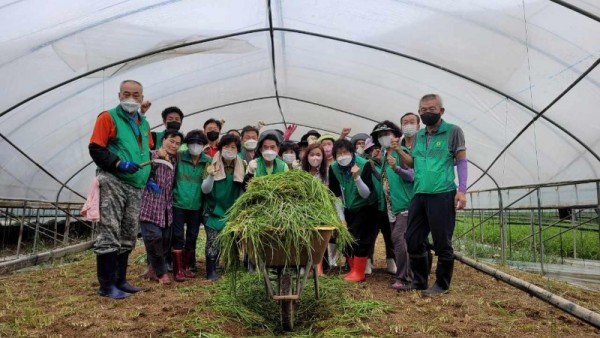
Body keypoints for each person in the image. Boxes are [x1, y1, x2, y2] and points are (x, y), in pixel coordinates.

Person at [88, 79, 153, 299]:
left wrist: (148, 176)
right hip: (114, 181)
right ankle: (106, 285)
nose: (131, 99)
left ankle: (120, 280)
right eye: (127, 94)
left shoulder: (143, 124)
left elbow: (145, 152)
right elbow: (96, 148)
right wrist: (118, 163)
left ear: (142, 98)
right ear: (119, 95)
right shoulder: (108, 117)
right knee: (110, 231)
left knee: (128, 233)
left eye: (136, 95)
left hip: (135, 186)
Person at [398, 94, 467, 295]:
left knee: (442, 242)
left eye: (432, 109)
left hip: (442, 193)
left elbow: (462, 161)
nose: (428, 112)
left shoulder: (453, 132)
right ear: (419, 112)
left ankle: (442, 284)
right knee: (412, 239)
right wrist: (399, 152)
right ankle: (419, 280)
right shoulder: (418, 136)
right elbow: (413, 163)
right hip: (420, 193)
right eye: (424, 110)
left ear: (441, 111)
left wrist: (462, 190)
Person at [328, 139, 377, 282]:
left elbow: (366, 193)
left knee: (361, 238)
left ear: (352, 152)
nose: (343, 156)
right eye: (339, 153)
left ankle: (359, 272)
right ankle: (352, 269)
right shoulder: (334, 168)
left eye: (346, 152)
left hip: (366, 206)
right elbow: (335, 194)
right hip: (348, 207)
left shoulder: (364, 165)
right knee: (347, 237)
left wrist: (357, 178)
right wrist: (341, 217)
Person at [139, 130, 183, 284]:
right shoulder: (151, 155)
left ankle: (152, 269)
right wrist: (149, 180)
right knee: (153, 238)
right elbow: (141, 171)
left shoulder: (175, 161)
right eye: (171, 141)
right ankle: (162, 273)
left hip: (166, 208)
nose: (174, 145)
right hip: (150, 206)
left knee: (164, 240)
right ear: (163, 140)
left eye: (177, 143)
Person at [201, 134, 246, 281]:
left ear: (237, 150)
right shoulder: (211, 165)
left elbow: (244, 189)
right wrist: (211, 176)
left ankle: (231, 266)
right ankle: (211, 271)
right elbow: (205, 189)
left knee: (231, 241)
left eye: (233, 147)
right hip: (213, 209)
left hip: (231, 209)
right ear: (220, 148)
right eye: (226, 146)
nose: (229, 150)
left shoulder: (242, 165)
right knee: (212, 241)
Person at [171, 130, 212, 281]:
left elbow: (208, 183)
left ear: (204, 145)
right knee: (177, 235)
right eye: (192, 143)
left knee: (192, 235)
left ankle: (187, 266)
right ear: (187, 145)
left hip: (196, 204)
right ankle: (178, 269)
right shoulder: (179, 157)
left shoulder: (207, 160)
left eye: (199, 143)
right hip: (178, 202)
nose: (196, 146)